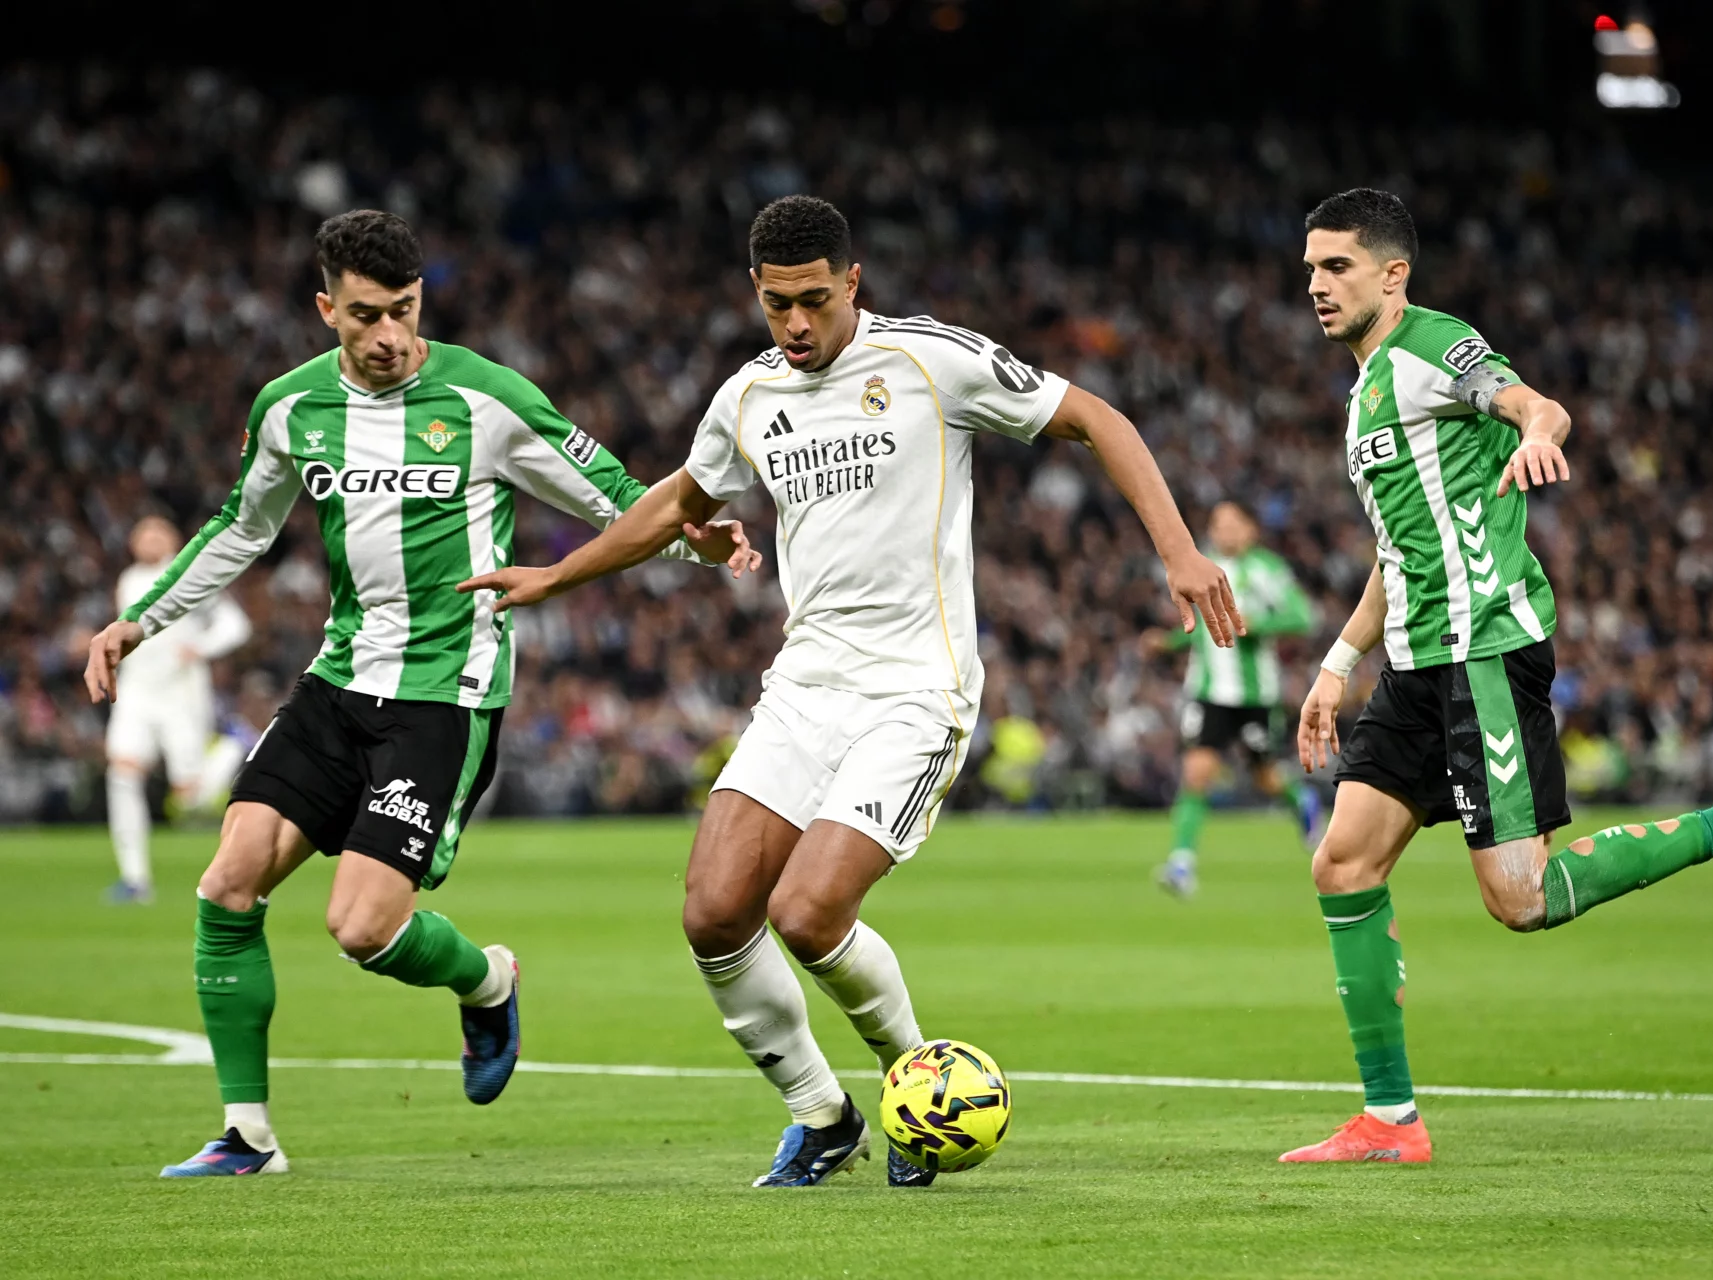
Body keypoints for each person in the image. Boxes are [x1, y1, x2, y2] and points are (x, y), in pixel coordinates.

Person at [460, 194, 1241, 1189]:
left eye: (815, 301)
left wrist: (1178, 551)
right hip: (806, 684)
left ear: (852, 283)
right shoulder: (746, 396)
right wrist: (554, 576)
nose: (796, 324)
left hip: (918, 690)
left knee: (809, 908)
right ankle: (820, 1114)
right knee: (712, 910)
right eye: (778, 303)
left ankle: (917, 1089)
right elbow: (679, 500)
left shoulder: (928, 359)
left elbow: (1095, 416)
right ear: (756, 291)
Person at [82, 209, 757, 1178]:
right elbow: (240, 525)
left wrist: (698, 532)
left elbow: (610, 487)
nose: (390, 335)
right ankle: (247, 1134)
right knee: (226, 883)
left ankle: (487, 979)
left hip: (446, 692)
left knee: (360, 926)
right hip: (337, 677)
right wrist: (139, 616)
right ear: (327, 310)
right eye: (366, 315)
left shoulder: (484, 397)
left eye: (404, 310)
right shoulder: (290, 408)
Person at [1283, 189, 1713, 1165]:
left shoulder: (1431, 346)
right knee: (1342, 862)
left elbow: (1530, 401)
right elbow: (1398, 548)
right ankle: (1390, 1119)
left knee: (1522, 897)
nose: (1317, 286)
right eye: (1309, 271)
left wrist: (1541, 431)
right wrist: (1337, 664)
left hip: (1486, 652)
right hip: (1417, 664)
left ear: (1392, 273)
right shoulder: (1366, 387)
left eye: (1336, 267)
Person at [1147, 499, 1319, 897]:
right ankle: (1181, 864)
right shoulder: (1201, 568)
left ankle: (1302, 800)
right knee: (1197, 773)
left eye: (1231, 524)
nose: (1222, 531)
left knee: (1266, 778)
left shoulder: (1268, 570)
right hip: (1208, 692)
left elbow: (1303, 617)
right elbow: (1202, 628)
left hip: (1256, 694)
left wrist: (1262, 624)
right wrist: (1169, 642)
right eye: (1216, 524)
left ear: (1250, 529)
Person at [103, 516, 254, 904]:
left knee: (189, 798)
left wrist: (200, 648)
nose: (147, 538)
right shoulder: (128, 579)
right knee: (122, 774)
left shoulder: (189, 573)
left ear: (172, 540)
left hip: (180, 694)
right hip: (137, 690)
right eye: (142, 532)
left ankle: (233, 747)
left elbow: (236, 625)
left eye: (156, 532)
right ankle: (135, 879)